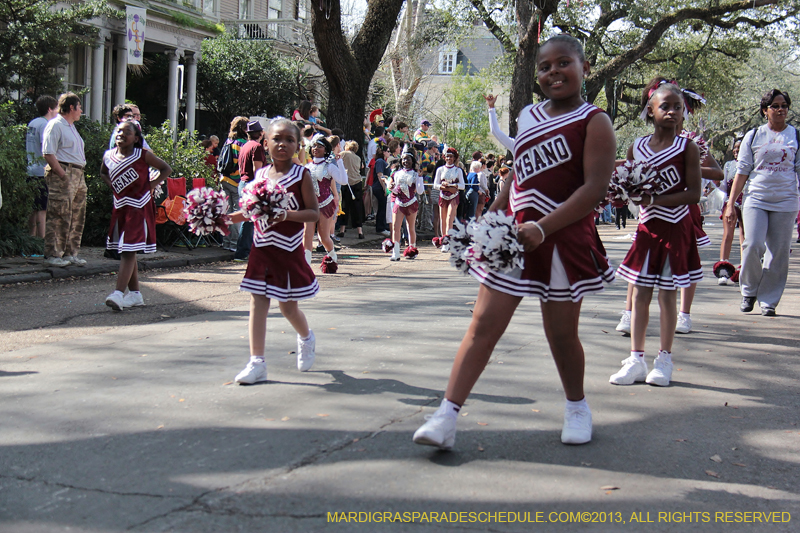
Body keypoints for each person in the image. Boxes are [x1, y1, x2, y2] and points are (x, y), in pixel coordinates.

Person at [413, 35, 616, 450]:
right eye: (544, 66)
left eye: (563, 63)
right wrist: (493, 212)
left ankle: (577, 406)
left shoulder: (595, 121)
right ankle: (446, 416)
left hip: (563, 239)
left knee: (561, 334)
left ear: (585, 67)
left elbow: (594, 189)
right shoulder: (528, 115)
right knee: (483, 324)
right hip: (514, 237)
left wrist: (543, 227)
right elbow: (519, 172)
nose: (553, 72)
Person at [610, 78, 702, 387]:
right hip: (647, 227)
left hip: (675, 226)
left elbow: (693, 194)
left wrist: (654, 200)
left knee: (667, 294)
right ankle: (636, 359)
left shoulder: (687, 147)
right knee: (639, 293)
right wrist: (623, 195)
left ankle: (664, 360)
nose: (673, 112)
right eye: (665, 106)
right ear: (651, 110)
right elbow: (628, 182)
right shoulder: (636, 146)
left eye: (678, 107)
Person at [228, 119, 320, 384]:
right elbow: (249, 211)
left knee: (288, 308)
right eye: (277, 139)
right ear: (266, 142)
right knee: (258, 301)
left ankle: (306, 337)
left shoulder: (302, 175)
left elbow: (313, 213)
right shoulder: (260, 176)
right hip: (262, 247)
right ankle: (257, 362)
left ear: (298, 145)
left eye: (290, 140)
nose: (283, 144)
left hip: (288, 248)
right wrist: (222, 218)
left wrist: (286, 214)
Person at [725, 89, 799, 316]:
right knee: (752, 244)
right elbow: (742, 171)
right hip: (756, 198)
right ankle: (749, 291)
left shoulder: (795, 136)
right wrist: (730, 203)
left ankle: (768, 300)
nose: (780, 109)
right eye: (775, 106)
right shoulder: (754, 135)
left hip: (786, 200)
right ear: (765, 110)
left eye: (784, 105)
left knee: (778, 252)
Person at [101, 121, 171, 310]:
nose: (121, 134)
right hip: (121, 207)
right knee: (127, 248)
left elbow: (166, 169)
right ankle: (135, 294)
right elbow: (103, 173)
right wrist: (112, 185)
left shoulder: (143, 155)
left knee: (128, 249)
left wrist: (150, 185)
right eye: (119, 131)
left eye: (127, 132)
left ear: (136, 138)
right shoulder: (108, 156)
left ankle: (118, 293)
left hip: (139, 206)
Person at [41, 92, 88, 267]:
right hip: (65, 171)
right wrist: (62, 174)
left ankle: (70, 253)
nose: (81, 111)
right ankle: (53, 254)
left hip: (78, 173)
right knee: (59, 213)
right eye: (79, 107)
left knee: (76, 214)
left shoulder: (71, 127)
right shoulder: (55, 125)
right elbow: (48, 153)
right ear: (71, 107)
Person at [303, 134, 347, 268]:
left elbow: (343, 181)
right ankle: (306, 266)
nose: (316, 148)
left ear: (326, 149)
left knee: (323, 237)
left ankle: (332, 254)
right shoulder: (307, 167)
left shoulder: (329, 166)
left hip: (325, 204)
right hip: (310, 205)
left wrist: (340, 162)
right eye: (314, 146)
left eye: (319, 146)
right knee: (307, 234)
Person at [234, 120, 268, 262]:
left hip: (242, 182)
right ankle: (242, 252)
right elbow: (257, 170)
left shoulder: (245, 146)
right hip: (252, 184)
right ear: (260, 133)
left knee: (248, 218)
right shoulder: (257, 147)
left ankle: (247, 250)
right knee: (250, 220)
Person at [26, 95, 59, 239]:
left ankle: (31, 238)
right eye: (56, 108)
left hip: (30, 169)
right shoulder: (46, 125)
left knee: (34, 207)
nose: (58, 111)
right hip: (42, 171)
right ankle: (42, 240)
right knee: (42, 208)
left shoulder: (33, 123)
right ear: (50, 109)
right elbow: (46, 148)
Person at [387, 145, 424, 261]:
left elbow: (420, 191)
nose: (405, 161)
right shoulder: (396, 173)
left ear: (412, 160)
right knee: (395, 227)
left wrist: (420, 178)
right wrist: (391, 187)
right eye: (403, 159)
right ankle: (396, 252)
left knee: (410, 227)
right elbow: (395, 190)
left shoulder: (415, 174)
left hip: (411, 203)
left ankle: (412, 250)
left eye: (408, 159)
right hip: (399, 202)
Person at [219, 117, 248, 254]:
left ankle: (226, 242)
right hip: (236, 181)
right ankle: (235, 243)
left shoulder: (228, 141)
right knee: (237, 212)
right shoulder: (243, 143)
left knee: (227, 212)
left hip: (224, 179)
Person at [718, 140, 745, 286]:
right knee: (728, 235)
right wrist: (716, 182)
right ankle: (723, 269)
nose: (736, 150)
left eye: (739, 148)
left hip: (746, 203)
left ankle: (743, 269)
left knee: (744, 237)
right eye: (735, 148)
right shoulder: (729, 165)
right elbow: (723, 186)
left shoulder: (750, 164)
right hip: (731, 203)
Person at [433, 148, 465, 252]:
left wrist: (453, 186)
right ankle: (444, 241)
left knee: (450, 218)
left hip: (453, 196)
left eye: (451, 156)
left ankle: (448, 241)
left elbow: (462, 185)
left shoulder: (458, 170)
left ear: (454, 158)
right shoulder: (440, 169)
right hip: (443, 195)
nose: (448, 158)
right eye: (447, 156)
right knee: (442, 219)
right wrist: (444, 187)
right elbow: (435, 184)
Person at [336, 141, 365, 239]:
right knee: (357, 207)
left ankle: (342, 230)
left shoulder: (343, 154)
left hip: (346, 183)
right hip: (357, 182)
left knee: (345, 206)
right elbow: (361, 167)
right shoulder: (358, 158)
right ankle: (360, 231)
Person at [370, 144, 391, 236]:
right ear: (383, 152)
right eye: (388, 151)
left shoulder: (383, 161)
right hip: (379, 187)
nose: (389, 153)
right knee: (382, 207)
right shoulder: (380, 161)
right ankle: (380, 228)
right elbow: (380, 175)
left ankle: (384, 226)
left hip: (381, 187)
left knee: (384, 207)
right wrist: (385, 188)